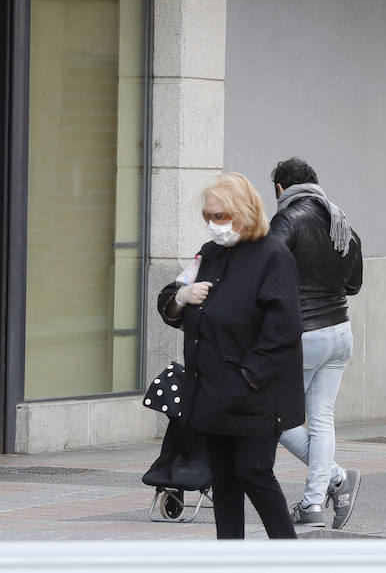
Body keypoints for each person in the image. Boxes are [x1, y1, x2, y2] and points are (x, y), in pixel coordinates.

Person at [156, 173, 304, 540]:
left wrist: (247, 377)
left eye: (220, 216)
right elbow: (170, 296)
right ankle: (231, 558)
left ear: (245, 211)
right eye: (208, 216)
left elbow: (283, 331)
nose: (213, 224)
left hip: (255, 395)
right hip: (210, 394)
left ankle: (290, 555)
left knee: (253, 472)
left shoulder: (273, 256)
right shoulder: (209, 254)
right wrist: (181, 298)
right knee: (223, 482)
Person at [268, 158, 365, 530]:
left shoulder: (287, 219)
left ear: (281, 188)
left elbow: (266, 268)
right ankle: (314, 502)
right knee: (322, 418)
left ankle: (336, 480)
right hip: (340, 332)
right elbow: (353, 285)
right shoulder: (342, 224)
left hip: (303, 335)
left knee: (273, 416)